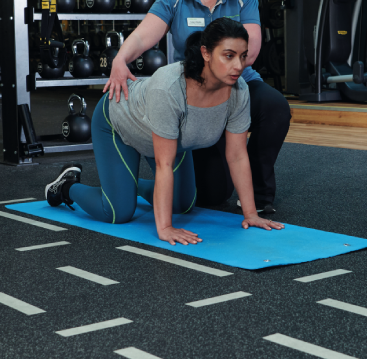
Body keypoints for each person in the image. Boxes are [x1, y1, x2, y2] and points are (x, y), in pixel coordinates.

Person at [45, 19, 284, 245]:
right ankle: (66, 187)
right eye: (229, 56)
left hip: (166, 139)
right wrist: (165, 227)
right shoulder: (170, 88)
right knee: (118, 213)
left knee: (183, 203)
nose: (238, 66)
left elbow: (237, 155)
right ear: (206, 53)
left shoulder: (239, 89)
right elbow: (164, 164)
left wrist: (250, 213)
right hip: (119, 122)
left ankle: (128, 184)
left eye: (242, 57)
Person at [103, 0, 291, 214]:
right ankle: (137, 187)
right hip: (193, 91)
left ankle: (258, 194)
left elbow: (249, 52)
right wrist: (120, 60)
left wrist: (224, 66)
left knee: (275, 107)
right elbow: (144, 37)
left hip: (237, 85)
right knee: (209, 196)